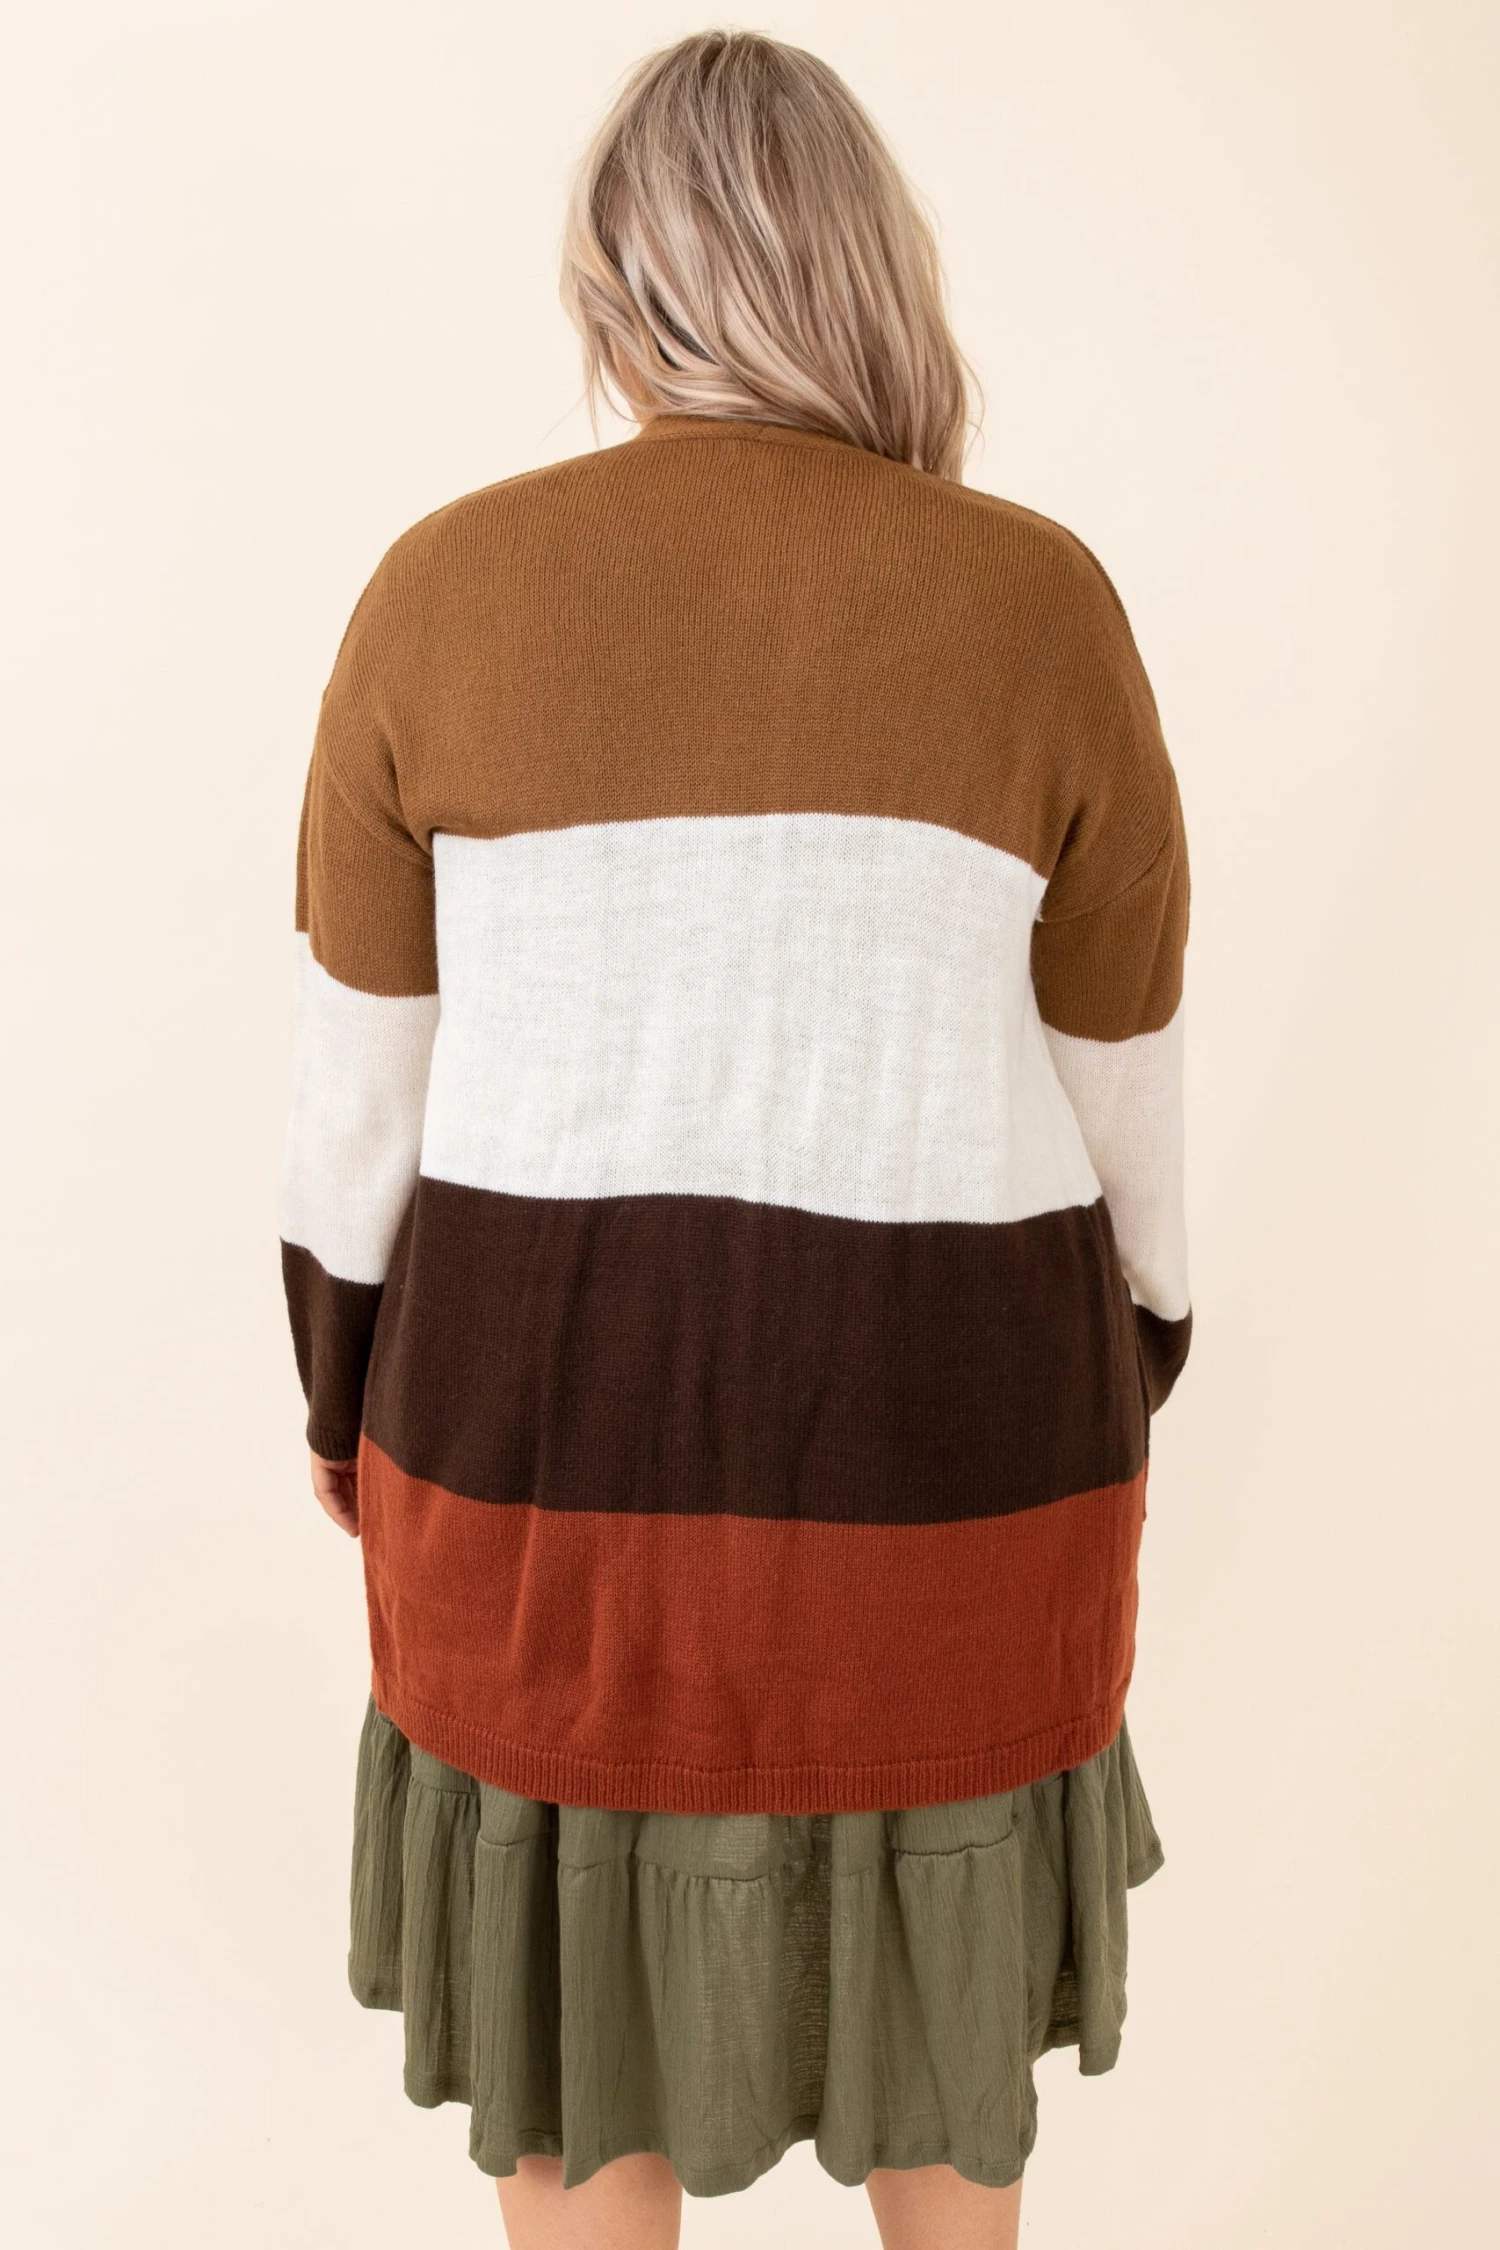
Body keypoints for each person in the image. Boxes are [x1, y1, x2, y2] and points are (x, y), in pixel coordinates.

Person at [279, 28, 1192, 2250]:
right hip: (954, 1491)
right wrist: (1140, 1359)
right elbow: (1130, 1105)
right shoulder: (1039, 602)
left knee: (574, 2077)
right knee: (949, 2094)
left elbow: (357, 1106)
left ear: (617, 296)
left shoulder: (439, 591)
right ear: (872, 275)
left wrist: (340, 1402)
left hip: (538, 1495)